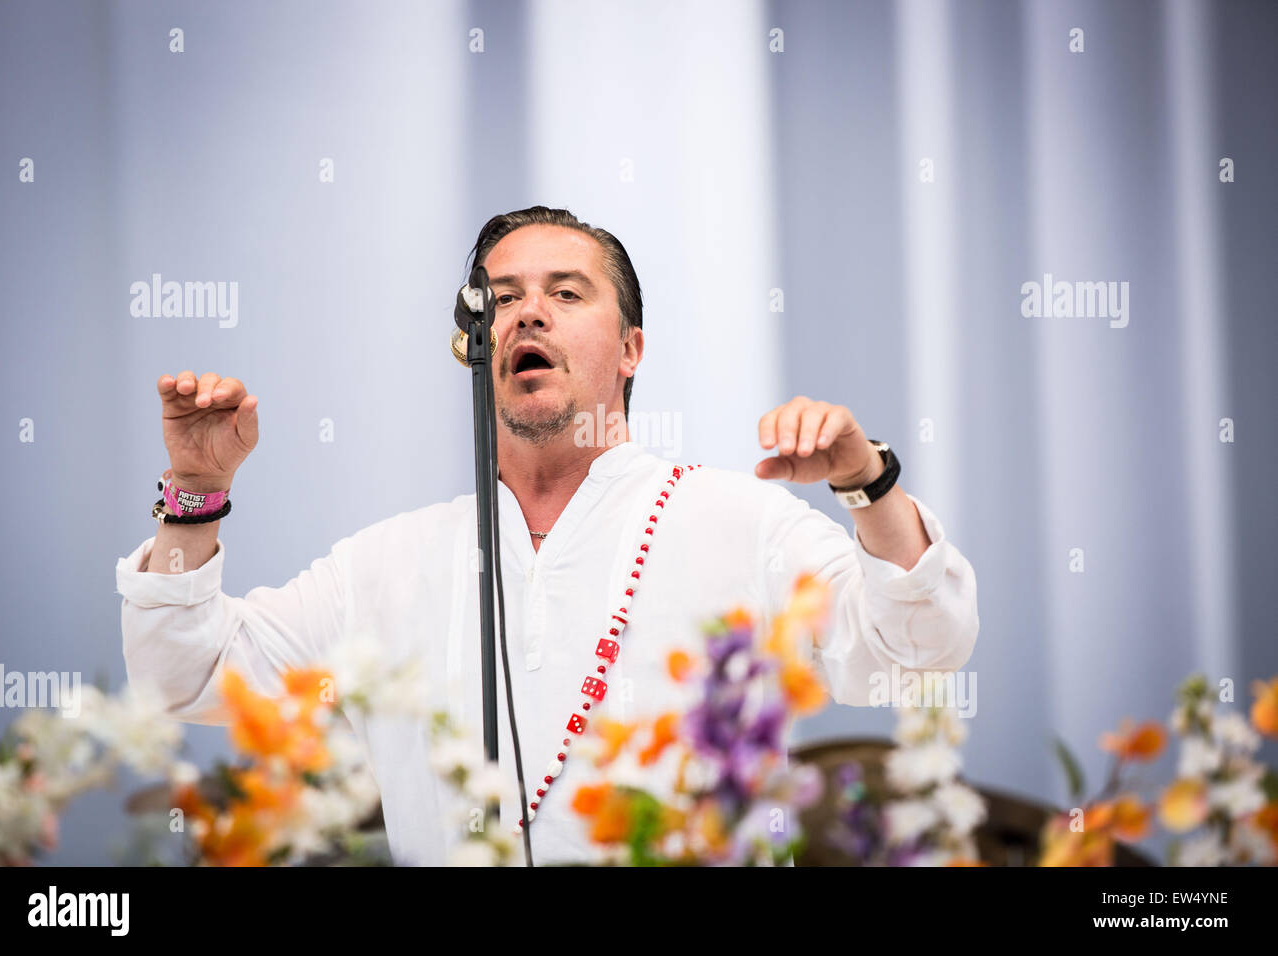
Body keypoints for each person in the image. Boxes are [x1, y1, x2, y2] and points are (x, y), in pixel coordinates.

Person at [115, 205, 979, 865]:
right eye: (501, 300)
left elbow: (918, 648)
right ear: (475, 346)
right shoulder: (387, 564)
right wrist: (196, 489)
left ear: (631, 347)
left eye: (566, 293)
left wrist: (866, 481)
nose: (529, 314)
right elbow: (182, 676)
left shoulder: (738, 522)